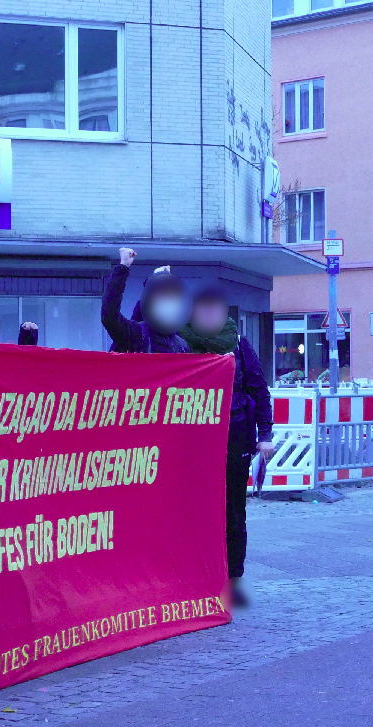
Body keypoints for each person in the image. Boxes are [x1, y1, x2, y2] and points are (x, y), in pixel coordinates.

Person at [180, 287, 273, 608]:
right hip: (194, 447)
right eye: (203, 310)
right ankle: (198, 578)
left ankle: (232, 580)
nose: (209, 316)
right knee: (196, 512)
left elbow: (260, 391)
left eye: (215, 310)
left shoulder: (239, 346)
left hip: (235, 442)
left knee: (233, 512)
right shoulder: (181, 345)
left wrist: (266, 435)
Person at [101, 247, 190, 354]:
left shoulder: (181, 345)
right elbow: (109, 316)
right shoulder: (135, 334)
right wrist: (123, 267)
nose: (168, 302)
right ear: (150, 301)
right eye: (163, 296)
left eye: (172, 297)